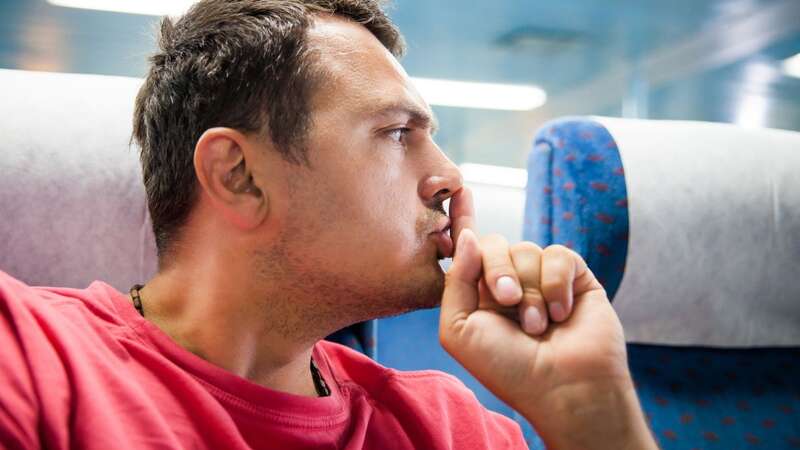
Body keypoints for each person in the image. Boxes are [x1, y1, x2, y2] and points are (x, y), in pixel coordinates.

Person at [0, 0, 658, 448]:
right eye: (397, 132)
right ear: (239, 176)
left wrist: (593, 417)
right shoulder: (30, 358)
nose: (452, 179)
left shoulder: (452, 428)